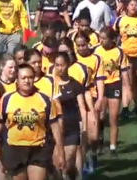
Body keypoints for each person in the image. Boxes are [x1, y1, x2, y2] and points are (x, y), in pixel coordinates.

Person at [0, 64, 65, 180]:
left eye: (30, 77)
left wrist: (60, 150)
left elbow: (54, 126)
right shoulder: (7, 99)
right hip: (15, 149)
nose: (27, 81)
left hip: (38, 148)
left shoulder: (45, 99)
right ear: (17, 80)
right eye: (23, 78)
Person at [58, 37, 96, 179]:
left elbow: (85, 94)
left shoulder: (80, 70)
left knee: (77, 149)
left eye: (66, 52)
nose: (64, 55)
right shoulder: (52, 75)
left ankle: (80, 173)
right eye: (60, 52)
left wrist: (89, 114)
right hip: (58, 121)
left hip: (74, 118)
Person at [93, 27, 130, 157]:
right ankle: (100, 141)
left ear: (111, 39)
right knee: (101, 117)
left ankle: (113, 147)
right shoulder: (95, 50)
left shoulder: (119, 52)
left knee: (114, 118)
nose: (101, 41)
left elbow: (124, 72)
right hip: (100, 86)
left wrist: (127, 89)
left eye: (104, 38)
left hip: (114, 84)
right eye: (100, 38)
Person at [74, 30, 106, 173]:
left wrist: (99, 98)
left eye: (83, 45)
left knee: (93, 134)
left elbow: (99, 80)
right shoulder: (72, 59)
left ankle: (93, 153)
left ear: (88, 44)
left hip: (91, 96)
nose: (81, 48)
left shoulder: (96, 59)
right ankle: (85, 161)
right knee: (83, 133)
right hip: (76, 98)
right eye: (78, 45)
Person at [52, 52, 87, 180]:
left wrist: (85, 128)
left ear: (68, 65)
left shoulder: (75, 84)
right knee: (57, 166)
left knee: (68, 161)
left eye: (62, 65)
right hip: (55, 129)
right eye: (57, 65)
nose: (60, 68)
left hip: (72, 127)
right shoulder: (50, 84)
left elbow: (82, 107)